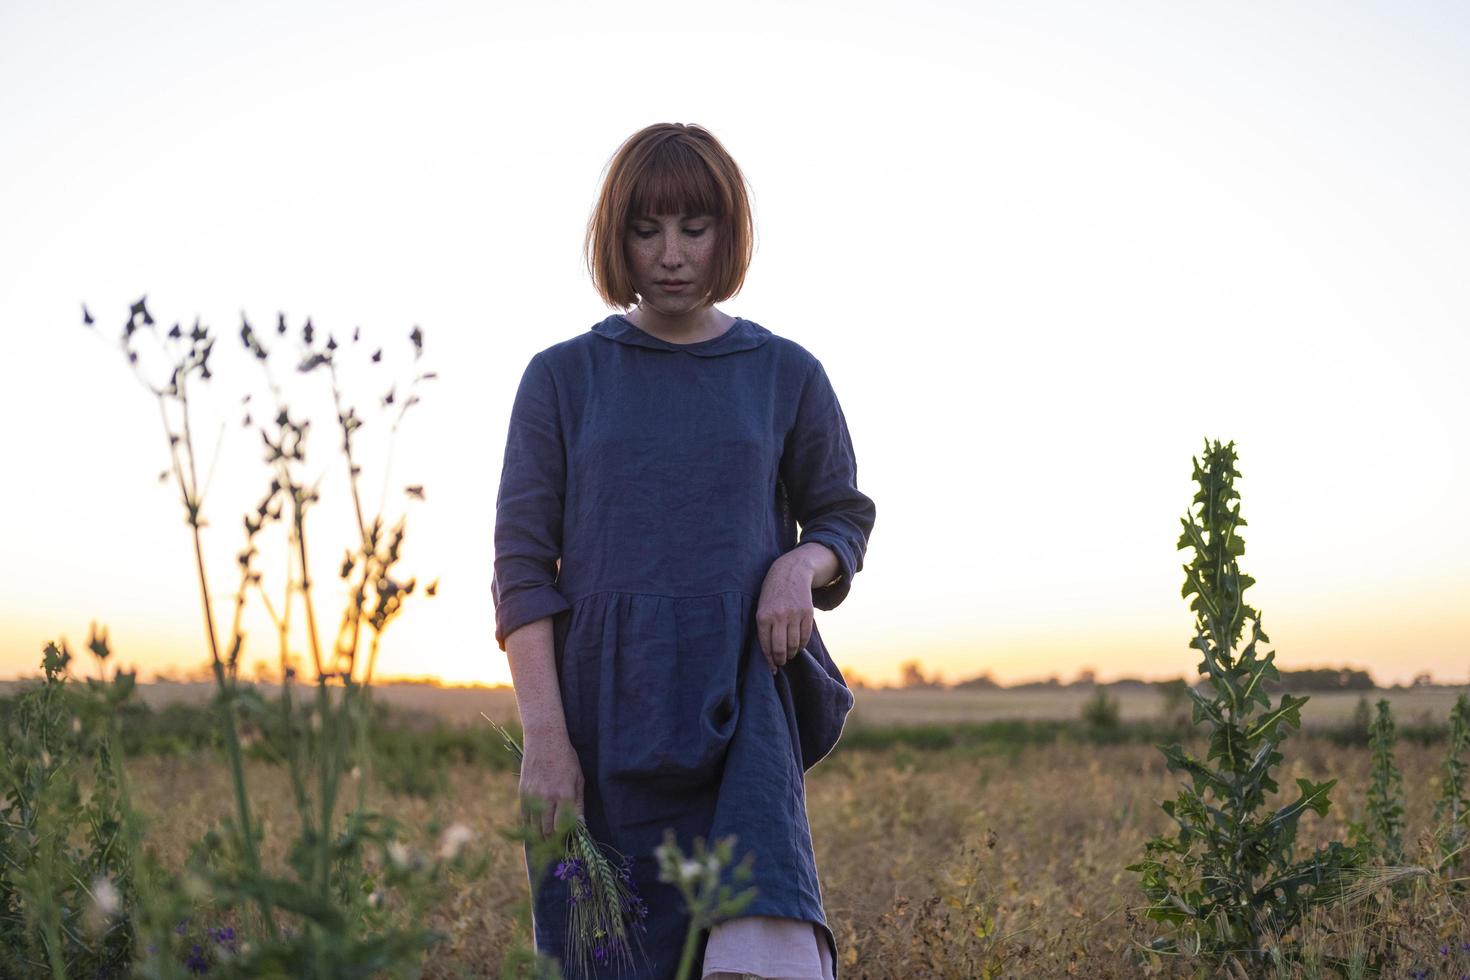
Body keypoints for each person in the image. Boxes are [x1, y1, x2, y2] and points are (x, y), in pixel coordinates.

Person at [492, 122, 876, 980]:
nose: (670, 254)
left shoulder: (786, 373)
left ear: (728, 234)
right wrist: (547, 742)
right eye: (646, 229)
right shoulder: (560, 378)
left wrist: (796, 568)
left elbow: (842, 519)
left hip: (741, 715)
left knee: (757, 954)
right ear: (616, 238)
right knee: (608, 957)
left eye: (694, 229)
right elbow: (521, 573)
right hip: (601, 716)